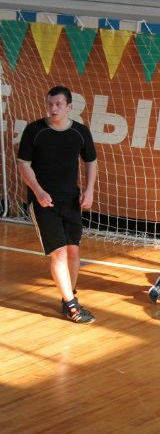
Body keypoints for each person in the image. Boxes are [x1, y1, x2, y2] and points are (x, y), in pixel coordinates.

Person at [16, 85, 98, 324]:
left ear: (69, 107)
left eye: (58, 104)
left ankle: (68, 297)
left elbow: (91, 161)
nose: (53, 108)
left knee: (73, 250)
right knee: (59, 252)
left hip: (71, 200)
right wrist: (38, 191)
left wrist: (89, 190)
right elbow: (23, 164)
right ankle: (72, 307)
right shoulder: (34, 131)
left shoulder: (80, 132)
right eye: (50, 104)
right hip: (44, 201)